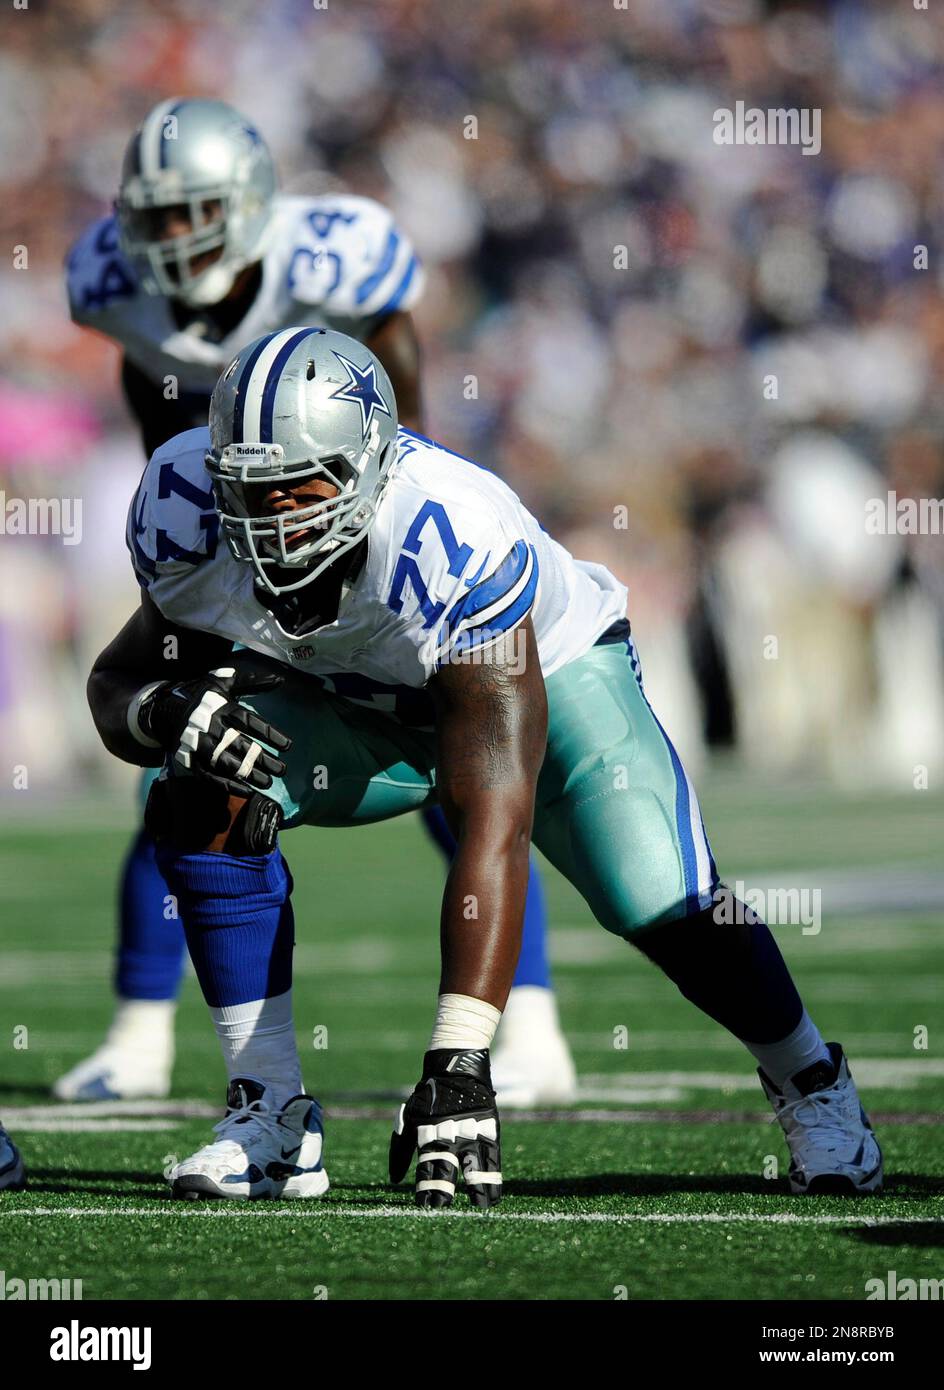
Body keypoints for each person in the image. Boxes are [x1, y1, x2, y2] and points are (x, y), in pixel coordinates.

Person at [86, 326, 882, 1206]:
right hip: (363, 705)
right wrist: (160, 713)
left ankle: (811, 1080)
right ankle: (269, 1113)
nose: (273, 518)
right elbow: (119, 680)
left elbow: (492, 820)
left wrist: (458, 1064)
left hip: (551, 670)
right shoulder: (185, 505)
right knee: (196, 780)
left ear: (369, 470)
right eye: (252, 489)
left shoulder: (448, 533)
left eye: (299, 488)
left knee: (659, 896)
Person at [63, 97, 573, 1107]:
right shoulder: (113, 288)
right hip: (241, 538)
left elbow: (406, 429)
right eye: (154, 217)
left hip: (368, 537)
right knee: (187, 758)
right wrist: (198, 560)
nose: (172, 238)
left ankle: (531, 1020)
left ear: (251, 202)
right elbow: (155, 419)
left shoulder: (332, 261)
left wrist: (365, 560)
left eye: (194, 211)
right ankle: (140, 1029)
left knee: (464, 779)